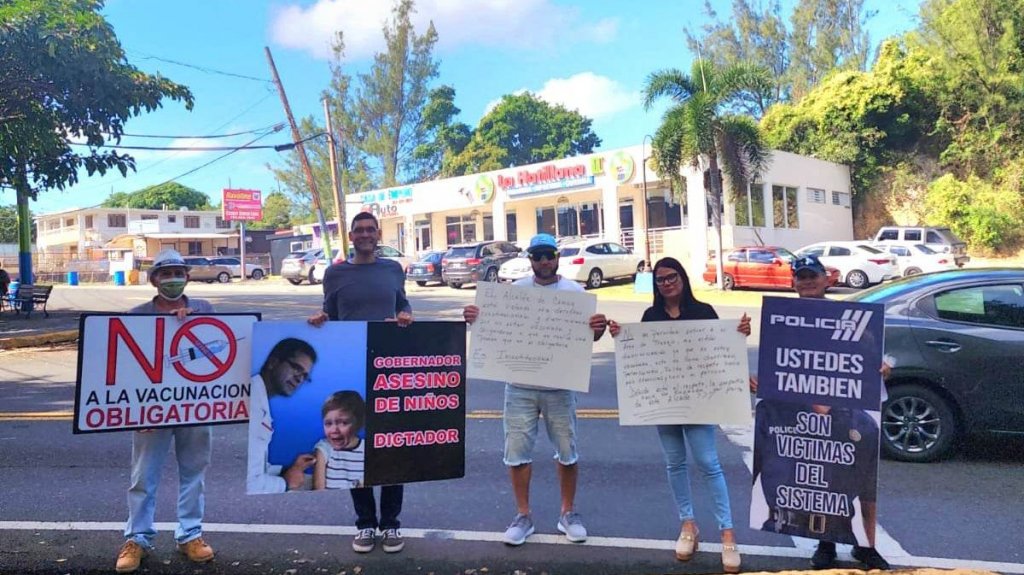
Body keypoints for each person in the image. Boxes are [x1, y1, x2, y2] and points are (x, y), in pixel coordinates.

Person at [462, 233, 608, 546]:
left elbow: (588, 340)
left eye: (548, 255)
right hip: (519, 387)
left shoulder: (574, 293)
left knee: (567, 453)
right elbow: (494, 332)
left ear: (557, 257)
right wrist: (476, 319)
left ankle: (567, 513)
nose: (543, 261)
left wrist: (598, 329)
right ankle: (523, 515)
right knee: (516, 454)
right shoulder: (515, 292)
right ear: (530, 259)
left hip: (559, 387)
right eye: (537, 255)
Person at [606, 257, 749, 573]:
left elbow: (720, 353)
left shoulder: (704, 312)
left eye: (672, 277)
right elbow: (641, 355)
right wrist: (621, 336)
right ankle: (688, 525)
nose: (666, 283)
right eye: (660, 279)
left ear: (683, 278)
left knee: (709, 463)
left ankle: (727, 532)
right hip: (665, 403)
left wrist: (740, 333)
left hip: (699, 402)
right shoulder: (650, 316)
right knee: (674, 463)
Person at [753, 254, 891, 571]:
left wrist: (883, 367)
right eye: (800, 276)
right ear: (793, 282)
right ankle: (825, 543)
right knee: (815, 475)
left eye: (812, 275)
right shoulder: (783, 318)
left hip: (844, 409)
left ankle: (866, 547)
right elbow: (778, 362)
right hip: (800, 412)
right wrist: (765, 382)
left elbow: (873, 357)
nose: (807, 281)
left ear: (826, 278)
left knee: (862, 480)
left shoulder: (851, 316)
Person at [308, 211, 412, 554]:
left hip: (388, 367)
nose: (365, 234)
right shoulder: (335, 273)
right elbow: (330, 315)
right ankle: (366, 524)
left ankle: (391, 524)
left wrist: (404, 317)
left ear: (377, 234)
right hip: (350, 366)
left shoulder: (393, 270)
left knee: (391, 448)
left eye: (371, 230)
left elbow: (403, 306)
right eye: (359, 230)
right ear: (351, 237)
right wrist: (320, 321)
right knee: (355, 446)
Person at [116, 249, 216, 573]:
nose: (172, 279)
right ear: (154, 279)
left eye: (178, 272)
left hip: (196, 405)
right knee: (143, 476)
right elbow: (127, 365)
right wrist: (136, 411)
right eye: (165, 273)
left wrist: (194, 323)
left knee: (194, 473)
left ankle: (190, 535)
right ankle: (137, 539)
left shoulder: (204, 309)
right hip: (152, 408)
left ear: (187, 276)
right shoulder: (137, 314)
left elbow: (219, 351)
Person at [248, 337, 319, 494]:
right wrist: (286, 483)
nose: (299, 378)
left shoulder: (259, 398)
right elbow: (251, 482)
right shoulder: (252, 406)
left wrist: (292, 469)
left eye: (305, 376)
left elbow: (255, 467)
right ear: (273, 362)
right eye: (296, 368)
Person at [313, 391, 366, 490]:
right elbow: (318, 490)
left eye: (343, 423)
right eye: (328, 423)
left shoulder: (367, 450)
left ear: (359, 424)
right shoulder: (324, 448)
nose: (334, 430)